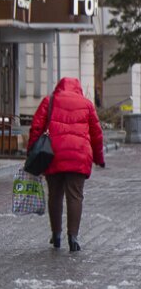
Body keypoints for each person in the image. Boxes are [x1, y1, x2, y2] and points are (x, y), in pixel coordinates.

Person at [27, 76, 105, 252]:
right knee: (75, 196)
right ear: (78, 89)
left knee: (54, 195)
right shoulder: (86, 104)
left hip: (52, 154)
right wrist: (99, 158)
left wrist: (31, 151)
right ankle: (73, 237)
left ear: (59, 87)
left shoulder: (50, 100)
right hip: (79, 155)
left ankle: (56, 235)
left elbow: (36, 127)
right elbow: (96, 134)